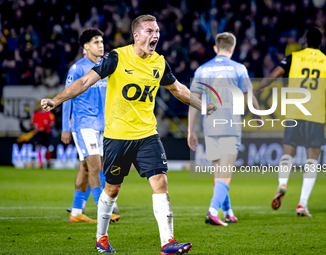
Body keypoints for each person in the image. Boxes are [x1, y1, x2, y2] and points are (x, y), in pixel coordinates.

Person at [41, 14, 216, 254]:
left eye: (157, 31)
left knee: (161, 182)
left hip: (147, 135)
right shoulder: (116, 58)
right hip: (117, 137)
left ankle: (167, 242)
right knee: (112, 189)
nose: (155, 35)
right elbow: (83, 83)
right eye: (149, 31)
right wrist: (56, 100)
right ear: (136, 35)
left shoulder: (159, 62)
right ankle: (101, 238)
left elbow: (178, 90)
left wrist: (203, 105)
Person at [254, 27, 326, 217]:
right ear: (321, 42)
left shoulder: (294, 57)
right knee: (311, 161)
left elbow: (271, 76)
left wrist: (256, 90)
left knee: (288, 153)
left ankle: (282, 183)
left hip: (294, 113)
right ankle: (302, 203)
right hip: (315, 116)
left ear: (305, 41)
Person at [188, 32, 262, 226]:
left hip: (209, 127)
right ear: (232, 49)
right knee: (226, 173)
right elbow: (249, 95)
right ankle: (213, 211)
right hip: (230, 126)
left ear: (215, 48)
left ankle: (227, 210)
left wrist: (190, 130)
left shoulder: (202, 69)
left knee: (219, 173)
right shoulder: (239, 68)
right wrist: (258, 114)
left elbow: (192, 100)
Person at [61, 28, 119, 223]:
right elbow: (67, 97)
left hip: (103, 126)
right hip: (83, 125)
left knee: (87, 168)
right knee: (95, 168)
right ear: (85, 47)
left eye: (102, 41)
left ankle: (76, 212)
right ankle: (105, 210)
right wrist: (65, 127)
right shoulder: (77, 69)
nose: (101, 45)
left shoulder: (106, 67)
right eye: (96, 42)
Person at [32, 104, 55, 168]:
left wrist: (45, 127)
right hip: (39, 133)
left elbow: (52, 122)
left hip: (46, 132)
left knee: (48, 147)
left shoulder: (49, 113)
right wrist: (37, 128)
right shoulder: (36, 114)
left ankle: (48, 162)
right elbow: (34, 123)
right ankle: (40, 163)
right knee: (39, 146)